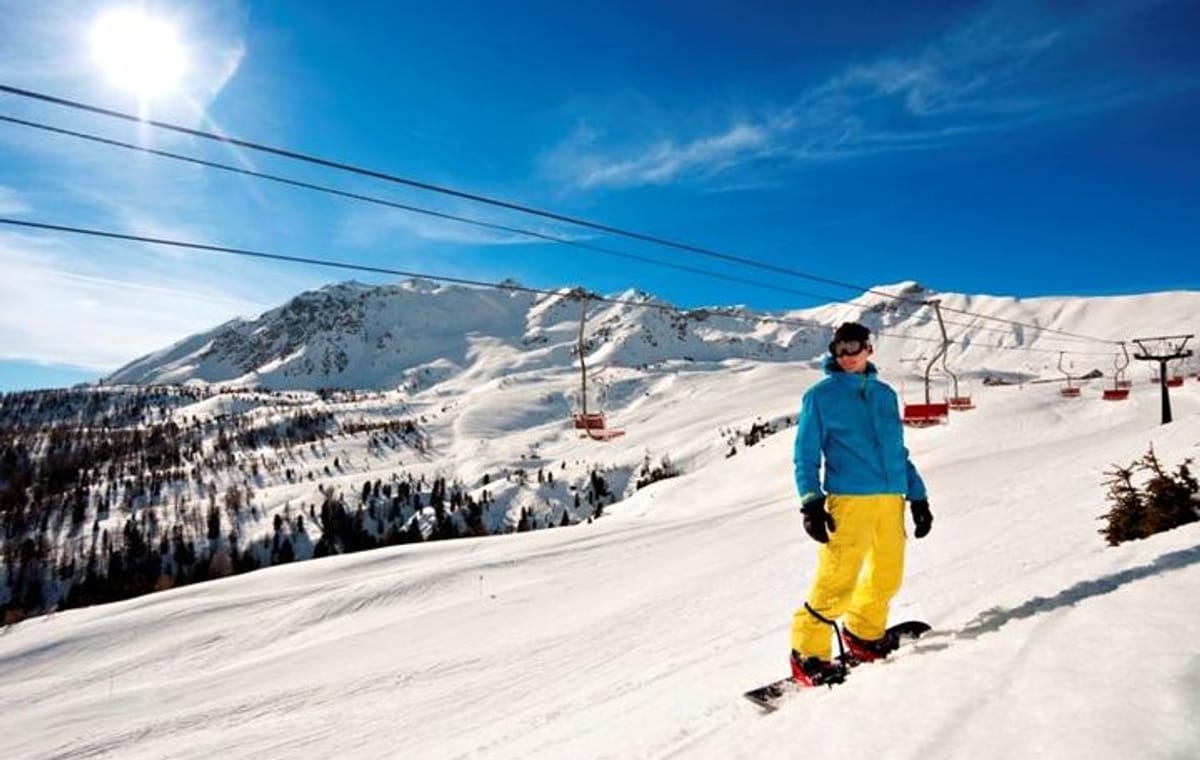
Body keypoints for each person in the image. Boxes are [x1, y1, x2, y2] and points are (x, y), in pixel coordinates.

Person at [789, 321, 932, 686]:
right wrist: (810, 502)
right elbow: (805, 454)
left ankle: (864, 633)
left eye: (853, 347)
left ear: (868, 348)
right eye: (840, 350)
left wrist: (917, 495)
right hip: (849, 500)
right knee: (837, 580)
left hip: (891, 499)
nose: (847, 356)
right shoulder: (820, 396)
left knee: (887, 575)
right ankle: (809, 653)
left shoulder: (885, 394)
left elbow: (896, 451)